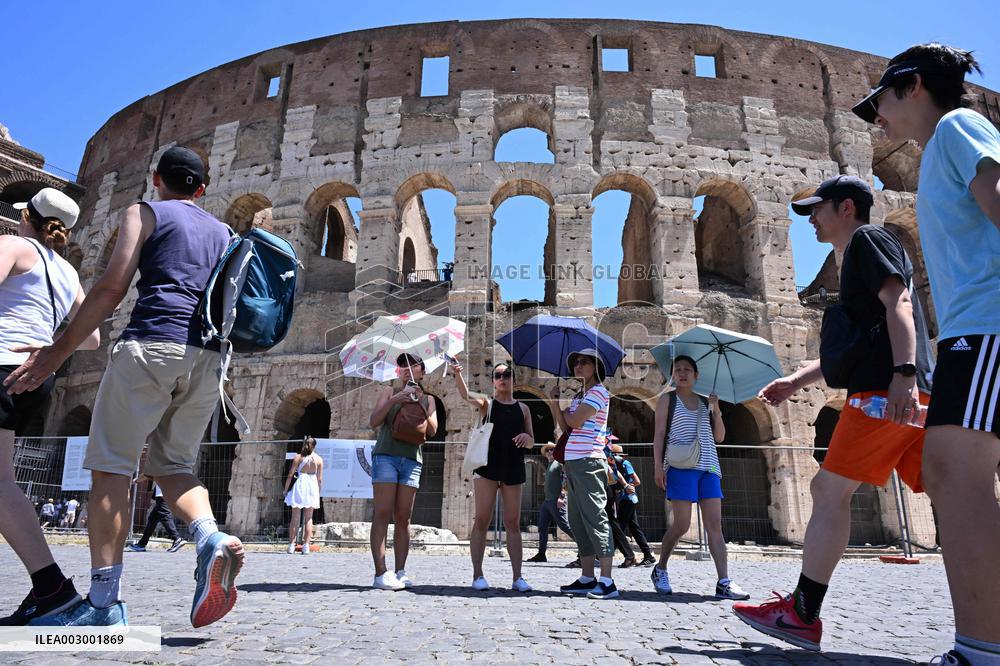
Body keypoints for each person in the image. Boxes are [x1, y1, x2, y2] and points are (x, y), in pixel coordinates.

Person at [5, 147, 244, 628]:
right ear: (202, 188)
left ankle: (104, 603)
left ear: (156, 179)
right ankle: (209, 535)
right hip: (209, 358)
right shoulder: (225, 232)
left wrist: (56, 351)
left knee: (111, 470)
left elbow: (113, 288)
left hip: (152, 344)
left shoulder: (145, 211)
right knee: (174, 464)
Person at [733, 175, 933, 651]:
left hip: (885, 393)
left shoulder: (867, 240)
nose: (811, 222)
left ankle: (802, 613)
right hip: (907, 390)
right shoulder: (859, 256)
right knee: (953, 493)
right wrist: (795, 381)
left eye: (817, 211)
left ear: (846, 208)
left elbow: (899, 302)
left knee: (827, 488)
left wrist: (903, 372)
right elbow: (859, 343)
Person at [852, 44, 1000, 665]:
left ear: (911, 87)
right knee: (951, 474)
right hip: (972, 331)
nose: (876, 118)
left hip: (988, 325)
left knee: (953, 474)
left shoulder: (959, 127)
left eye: (879, 102)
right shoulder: (941, 147)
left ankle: (982, 649)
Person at [0, 187, 98, 625]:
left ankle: (52, 586)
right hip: (36, 375)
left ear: (27, 219)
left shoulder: (15, 245)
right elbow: (92, 338)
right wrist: (49, 346)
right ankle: (49, 586)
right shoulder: (68, 274)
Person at [650, 356, 750, 601]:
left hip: (709, 467)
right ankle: (660, 568)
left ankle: (723, 581)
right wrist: (657, 467)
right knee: (681, 525)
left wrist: (716, 411)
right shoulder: (668, 399)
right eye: (678, 370)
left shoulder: (707, 401)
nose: (682, 373)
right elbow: (659, 434)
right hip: (681, 466)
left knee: (715, 525)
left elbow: (720, 437)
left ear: (696, 375)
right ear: (673, 375)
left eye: (687, 370)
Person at [452, 358, 534, 592]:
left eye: (506, 374)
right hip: (488, 466)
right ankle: (478, 575)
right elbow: (466, 396)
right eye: (497, 375)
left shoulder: (524, 408)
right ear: (493, 381)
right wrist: (457, 374)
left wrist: (528, 440)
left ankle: (517, 577)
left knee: (512, 523)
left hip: (513, 466)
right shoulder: (487, 404)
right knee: (481, 519)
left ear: (513, 379)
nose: (502, 378)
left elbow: (531, 440)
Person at [546, 348, 619, 600]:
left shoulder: (599, 392)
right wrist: (556, 404)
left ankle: (607, 581)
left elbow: (575, 421)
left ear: (596, 366)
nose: (578, 366)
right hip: (573, 461)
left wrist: (569, 414)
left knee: (596, 517)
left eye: (584, 362)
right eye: (576, 362)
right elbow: (565, 425)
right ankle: (588, 577)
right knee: (577, 520)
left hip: (589, 460)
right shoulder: (580, 394)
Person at [368, 353, 437, 590]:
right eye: (402, 366)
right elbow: (374, 421)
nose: (407, 369)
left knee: (403, 517)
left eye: (412, 365)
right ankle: (380, 573)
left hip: (411, 459)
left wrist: (417, 401)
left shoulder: (428, 399)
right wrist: (395, 399)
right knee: (382, 513)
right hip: (386, 455)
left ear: (422, 371)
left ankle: (400, 571)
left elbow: (432, 431)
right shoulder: (388, 393)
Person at [526, 442, 574, 563]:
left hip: (556, 500)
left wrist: (562, 496)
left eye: (552, 450)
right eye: (547, 450)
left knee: (565, 526)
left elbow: (566, 479)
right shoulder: (550, 464)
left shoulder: (559, 463)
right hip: (547, 501)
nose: (549, 452)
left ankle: (586, 548)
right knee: (542, 527)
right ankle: (541, 554)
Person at [612, 447, 655, 566]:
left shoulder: (625, 463)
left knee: (618, 528)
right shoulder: (616, 465)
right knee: (635, 529)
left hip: (628, 499)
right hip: (625, 499)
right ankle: (648, 555)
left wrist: (626, 486)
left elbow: (637, 481)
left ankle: (610, 554)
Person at [283, 436, 323, 555]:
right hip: (312, 486)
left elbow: (290, 474)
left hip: (300, 485)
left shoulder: (298, 457)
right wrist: (318, 492)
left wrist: (286, 490)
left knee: (295, 517)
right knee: (309, 518)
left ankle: (291, 545)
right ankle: (306, 546)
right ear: (315, 446)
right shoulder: (319, 459)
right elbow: (320, 479)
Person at [603, 442, 637, 567]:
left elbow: (613, 472)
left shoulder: (604, 451)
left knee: (611, 522)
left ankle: (629, 555)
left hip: (605, 488)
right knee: (611, 522)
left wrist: (626, 485)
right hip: (603, 488)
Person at [127, 480, 186, 553]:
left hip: (163, 492)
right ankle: (141, 544)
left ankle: (177, 538)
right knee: (153, 519)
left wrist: (137, 479)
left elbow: (149, 473)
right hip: (165, 491)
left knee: (165, 515)